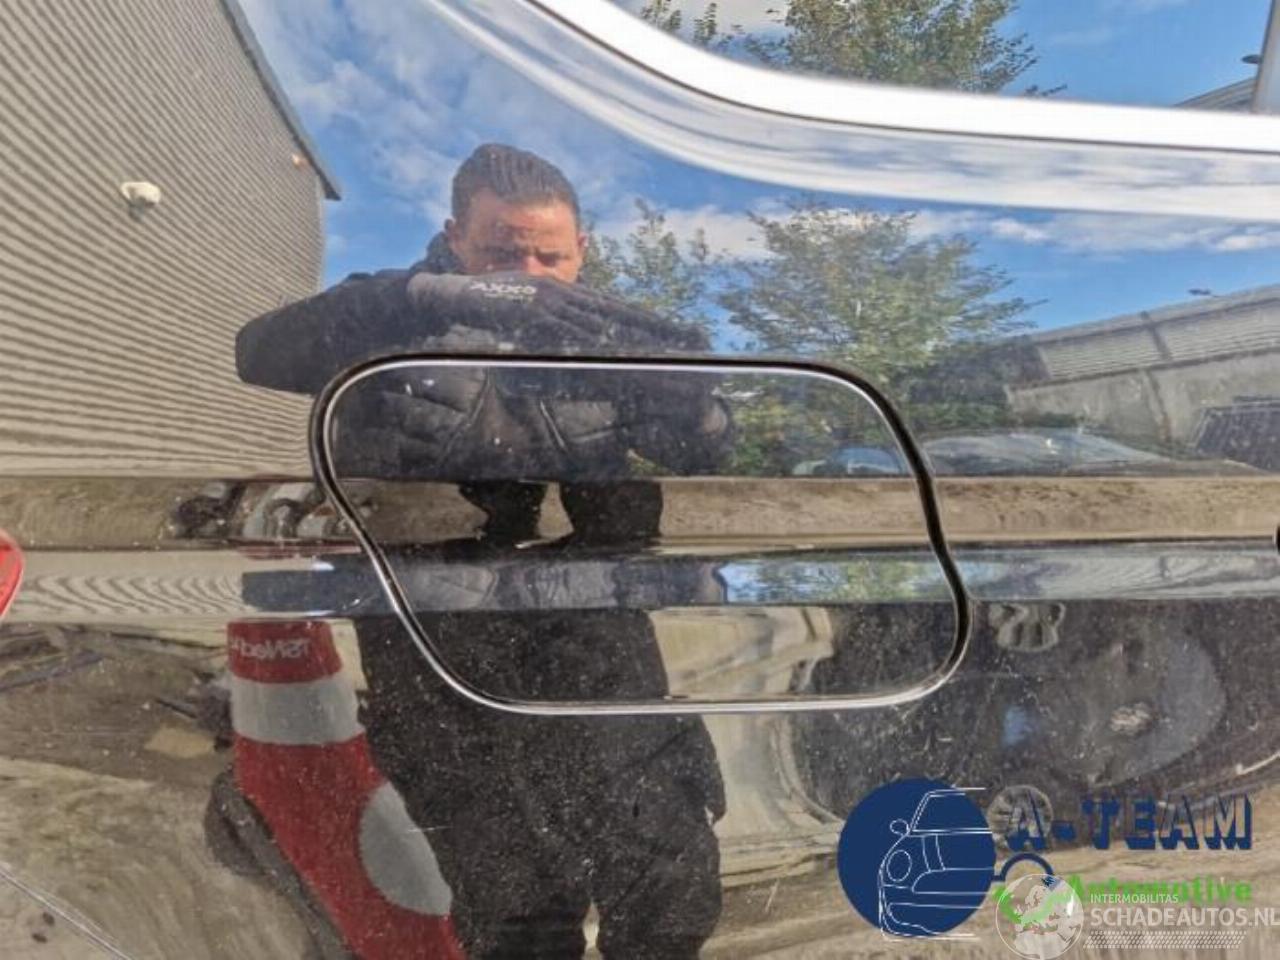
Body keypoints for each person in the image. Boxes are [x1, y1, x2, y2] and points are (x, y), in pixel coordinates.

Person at [234, 144, 728, 958]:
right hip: (435, 644)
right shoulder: (386, 315)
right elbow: (258, 351)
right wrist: (429, 296)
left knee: (666, 878)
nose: (528, 275)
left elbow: (713, 458)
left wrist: (693, 405)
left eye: (549, 257)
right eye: (502, 254)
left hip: (592, 633)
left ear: (582, 250)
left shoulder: (606, 333)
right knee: (513, 904)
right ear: (455, 236)